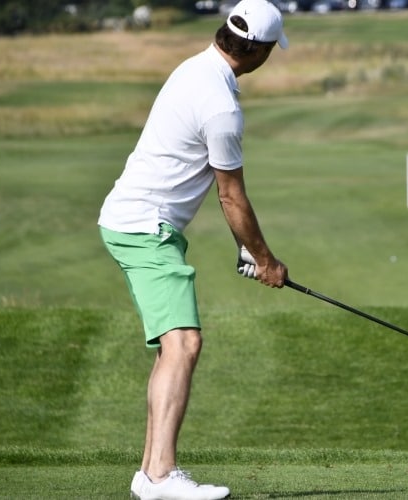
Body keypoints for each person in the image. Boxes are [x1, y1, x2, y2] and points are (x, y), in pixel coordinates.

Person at [98, 0, 289, 498]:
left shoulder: (195, 67)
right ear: (261, 51)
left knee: (172, 347)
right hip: (146, 228)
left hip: (134, 222)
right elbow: (231, 196)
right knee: (184, 343)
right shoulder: (222, 107)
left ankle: (148, 474)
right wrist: (265, 261)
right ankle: (161, 475)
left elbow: (227, 199)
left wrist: (247, 251)